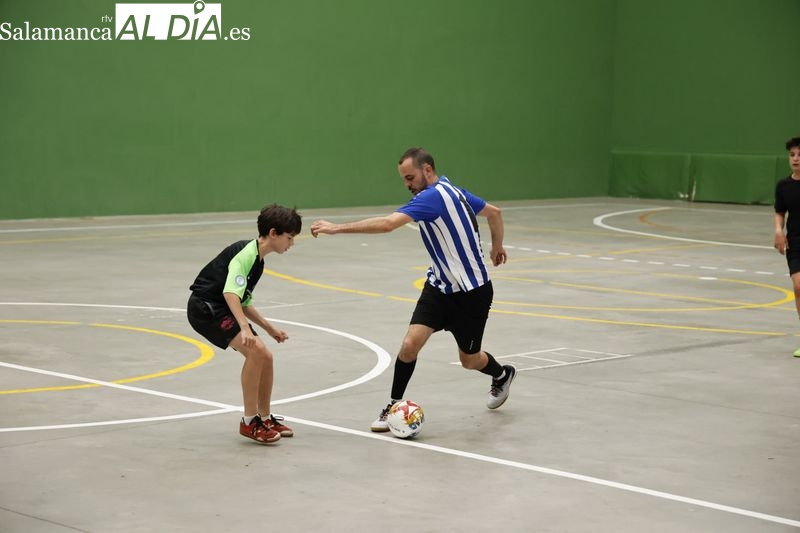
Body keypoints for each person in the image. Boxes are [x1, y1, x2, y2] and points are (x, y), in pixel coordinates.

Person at [310, 147, 516, 431]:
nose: (407, 184)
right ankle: (393, 406)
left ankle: (502, 374)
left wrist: (336, 228)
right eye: (404, 179)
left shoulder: (431, 197)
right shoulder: (454, 191)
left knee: (469, 360)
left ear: (427, 170)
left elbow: (387, 224)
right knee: (409, 346)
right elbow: (494, 213)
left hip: (472, 294)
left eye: (410, 177)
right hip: (438, 286)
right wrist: (497, 245)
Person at [187, 204, 302, 443]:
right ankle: (250, 422)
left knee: (266, 356)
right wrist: (244, 328)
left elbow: (244, 301)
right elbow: (231, 294)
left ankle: (265, 417)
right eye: (289, 238)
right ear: (273, 233)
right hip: (205, 308)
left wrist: (269, 328)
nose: (291, 243)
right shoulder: (246, 254)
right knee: (256, 352)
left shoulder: (258, 261)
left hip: (221, 307)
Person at [774, 136, 800, 357]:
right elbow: (780, 212)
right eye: (792, 155)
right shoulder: (783, 186)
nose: (796, 159)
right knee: (799, 287)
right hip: (796, 243)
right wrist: (778, 231)